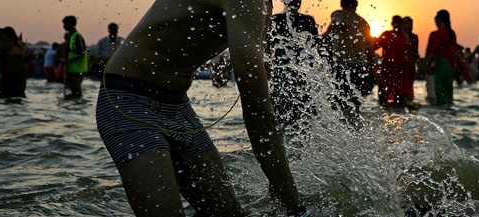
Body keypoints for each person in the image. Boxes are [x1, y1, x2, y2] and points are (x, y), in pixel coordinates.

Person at [95, 0, 307, 216]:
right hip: (129, 101)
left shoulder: (263, 4)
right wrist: (297, 210)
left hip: (179, 106)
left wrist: (281, 186)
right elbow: (259, 115)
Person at [266, 0, 318, 129]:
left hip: (281, 68)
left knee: (279, 105)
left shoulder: (275, 19)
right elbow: (317, 47)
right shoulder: (308, 20)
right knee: (303, 106)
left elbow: (267, 46)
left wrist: (266, 63)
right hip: (300, 69)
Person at [324, 0, 374, 115]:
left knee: (338, 103)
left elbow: (327, 39)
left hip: (341, 65)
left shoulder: (338, 16)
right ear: (356, 5)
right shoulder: (363, 22)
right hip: (360, 66)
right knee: (355, 104)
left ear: (342, 5)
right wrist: (371, 71)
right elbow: (370, 49)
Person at [374, 15, 411, 108]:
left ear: (392, 23)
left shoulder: (387, 34)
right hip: (400, 70)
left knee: (384, 96)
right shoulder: (405, 37)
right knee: (400, 97)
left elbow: (375, 46)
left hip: (389, 68)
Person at [425, 10, 457, 106]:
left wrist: (427, 64)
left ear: (439, 19)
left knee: (440, 90)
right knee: (448, 90)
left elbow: (434, 51)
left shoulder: (440, 32)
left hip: (441, 63)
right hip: (450, 64)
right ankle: (449, 111)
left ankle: (441, 114)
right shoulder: (452, 33)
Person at [0, 27, 28, 99]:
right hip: (22, 74)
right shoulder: (21, 45)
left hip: (9, 74)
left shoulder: (4, 45)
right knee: (19, 96)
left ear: (5, 35)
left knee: (6, 96)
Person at [62, 15, 88, 100]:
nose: (63, 26)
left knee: (77, 94)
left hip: (77, 70)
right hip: (71, 69)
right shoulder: (71, 36)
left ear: (70, 24)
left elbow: (82, 52)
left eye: (64, 24)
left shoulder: (76, 36)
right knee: (73, 93)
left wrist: (70, 61)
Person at [402, 17, 419, 103]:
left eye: (409, 24)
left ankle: (409, 101)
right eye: (405, 24)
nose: (408, 26)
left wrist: (418, 65)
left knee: (410, 86)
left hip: (411, 65)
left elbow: (416, 52)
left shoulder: (415, 37)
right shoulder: (399, 37)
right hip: (401, 65)